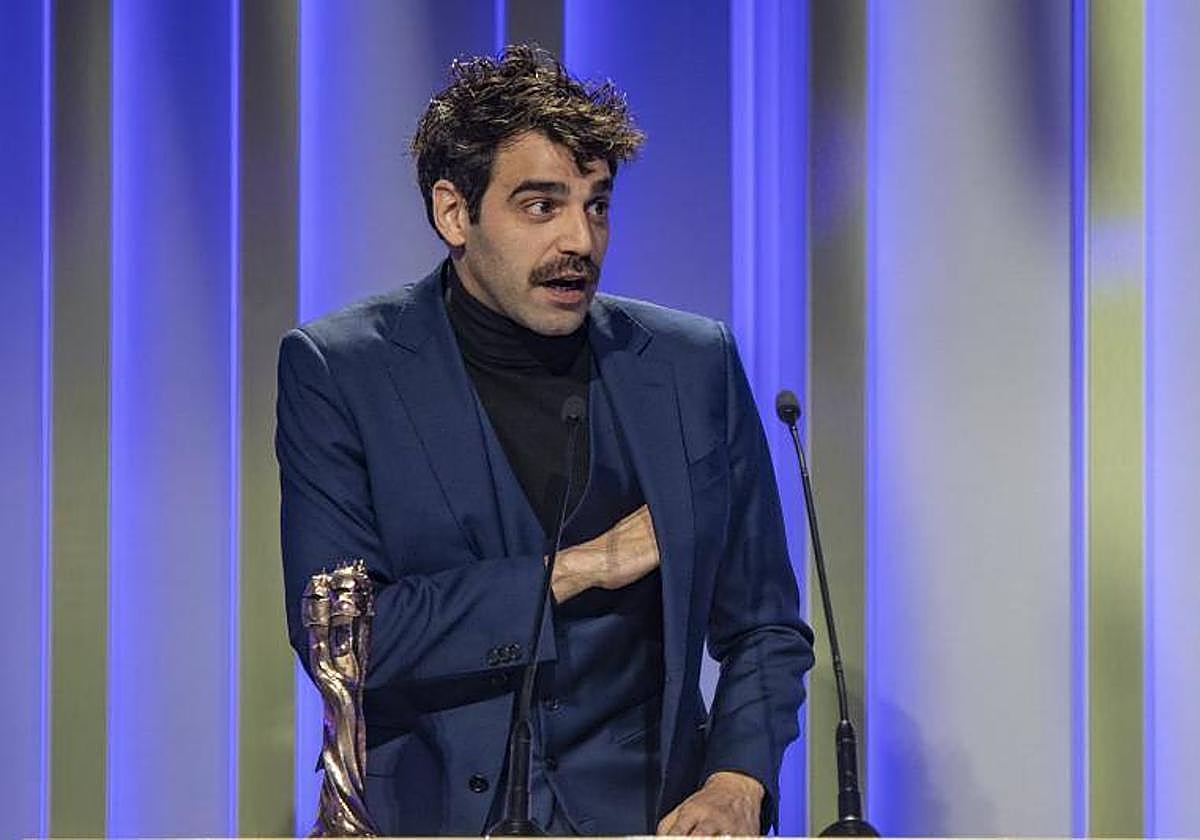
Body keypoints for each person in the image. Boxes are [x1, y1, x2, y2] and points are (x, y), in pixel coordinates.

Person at [276, 45, 814, 836]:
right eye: (541, 206)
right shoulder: (342, 371)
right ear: (454, 212)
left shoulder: (690, 365)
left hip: (644, 817)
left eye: (597, 206)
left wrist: (736, 781)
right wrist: (578, 568)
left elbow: (765, 626)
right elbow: (345, 638)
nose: (581, 242)